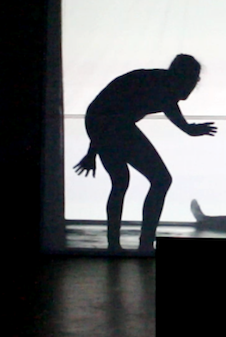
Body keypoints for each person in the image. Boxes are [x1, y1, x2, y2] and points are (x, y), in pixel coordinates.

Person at [75, 54, 217, 253]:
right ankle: (137, 244)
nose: (192, 87)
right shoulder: (160, 88)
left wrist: (93, 151)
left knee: (124, 181)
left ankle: (126, 243)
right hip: (105, 123)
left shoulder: (164, 87)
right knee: (152, 180)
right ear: (183, 79)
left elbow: (177, 118)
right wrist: (92, 151)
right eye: (193, 81)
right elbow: (108, 117)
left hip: (106, 122)